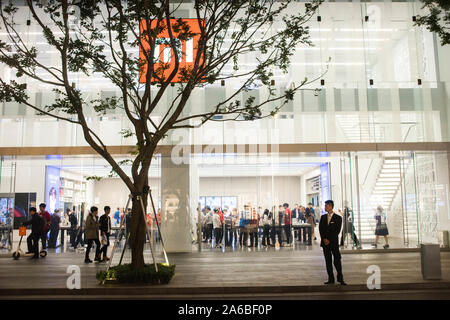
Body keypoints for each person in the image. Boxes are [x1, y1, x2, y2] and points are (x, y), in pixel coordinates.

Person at [319, 200, 346, 285]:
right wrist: (324, 239)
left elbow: (336, 231)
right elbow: (321, 229)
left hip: (333, 242)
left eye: (326, 206)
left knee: (337, 260)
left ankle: (340, 278)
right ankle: (330, 279)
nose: (325, 207)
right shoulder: (323, 217)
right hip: (325, 243)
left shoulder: (338, 218)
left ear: (331, 206)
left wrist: (329, 239)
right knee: (328, 261)